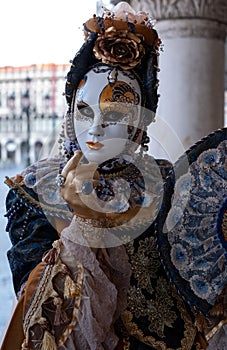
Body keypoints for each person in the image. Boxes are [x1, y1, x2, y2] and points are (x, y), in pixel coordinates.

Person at [1, 2, 227, 349]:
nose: (94, 128)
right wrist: (85, 226)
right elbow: (43, 326)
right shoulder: (36, 191)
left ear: (140, 122)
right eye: (83, 109)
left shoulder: (169, 185)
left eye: (115, 114)